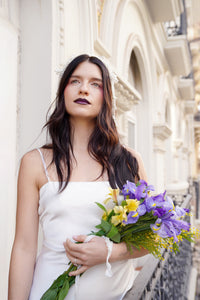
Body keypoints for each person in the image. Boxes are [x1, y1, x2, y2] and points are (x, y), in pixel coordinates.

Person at [8, 54, 148, 300]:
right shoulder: (34, 163)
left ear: (107, 98)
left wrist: (110, 252)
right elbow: (24, 247)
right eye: (75, 81)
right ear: (63, 91)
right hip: (49, 291)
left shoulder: (129, 161)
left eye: (96, 84)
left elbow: (150, 238)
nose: (84, 89)